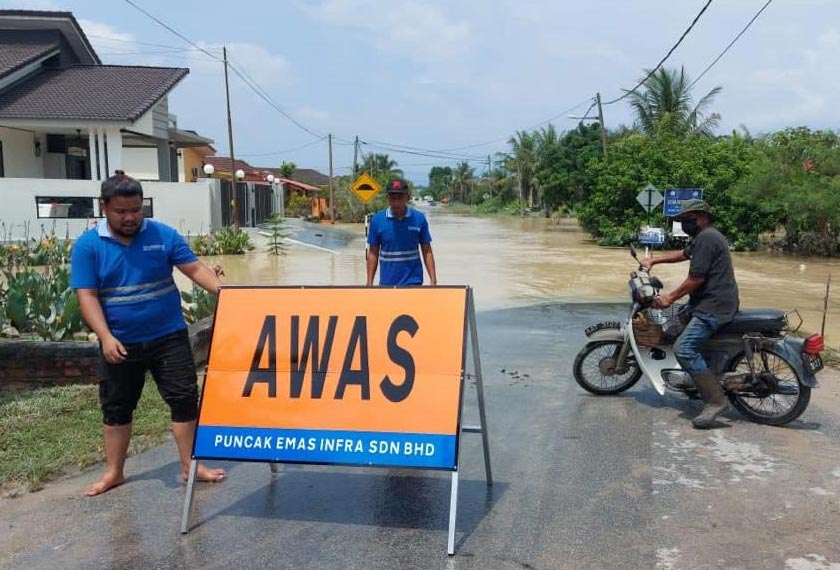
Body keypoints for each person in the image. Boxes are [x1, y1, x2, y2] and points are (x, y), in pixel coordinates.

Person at [70, 174, 226, 496]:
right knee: (116, 406)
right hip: (119, 342)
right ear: (104, 208)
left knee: (184, 399)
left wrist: (227, 293)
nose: (130, 218)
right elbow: (87, 297)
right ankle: (114, 472)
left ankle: (190, 466)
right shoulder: (88, 246)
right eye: (121, 211)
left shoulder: (162, 235)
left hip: (168, 336)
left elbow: (195, 270)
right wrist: (105, 336)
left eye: (136, 210)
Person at [641, 199, 740, 429]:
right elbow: (684, 254)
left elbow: (696, 279)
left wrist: (670, 297)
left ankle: (716, 401)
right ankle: (698, 380)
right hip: (711, 302)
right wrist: (654, 259)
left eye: (688, 219)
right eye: (683, 220)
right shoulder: (703, 237)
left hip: (713, 306)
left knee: (683, 348)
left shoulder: (707, 238)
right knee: (675, 327)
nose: (685, 223)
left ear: (702, 218)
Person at [366, 178, 437, 287]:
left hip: (413, 282)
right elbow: (373, 252)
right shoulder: (377, 220)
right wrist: (369, 282)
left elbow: (426, 250)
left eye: (400, 198)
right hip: (386, 284)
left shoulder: (419, 218)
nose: (396, 202)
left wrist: (433, 281)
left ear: (407, 198)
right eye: (392, 198)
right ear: (387, 198)